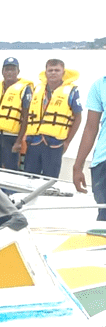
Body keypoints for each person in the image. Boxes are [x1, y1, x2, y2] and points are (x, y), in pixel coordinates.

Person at [24, 59, 82, 178]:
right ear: (45, 73)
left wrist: (67, 142)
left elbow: (78, 117)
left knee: (50, 179)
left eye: (57, 70)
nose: (53, 73)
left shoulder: (71, 91)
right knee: (29, 178)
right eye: (50, 70)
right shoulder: (37, 89)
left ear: (63, 72)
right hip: (34, 141)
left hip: (54, 143)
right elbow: (27, 114)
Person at [0, 57, 33, 171]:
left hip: (11, 137)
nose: (10, 72)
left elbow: (25, 117)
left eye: (13, 69)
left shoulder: (25, 89)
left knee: (9, 169)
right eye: (7, 69)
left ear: (18, 71)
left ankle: (9, 190)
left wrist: (19, 141)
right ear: (2, 71)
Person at [73, 75, 106, 220]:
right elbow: (90, 128)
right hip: (103, 161)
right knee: (103, 216)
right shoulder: (99, 85)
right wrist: (77, 166)